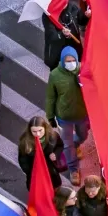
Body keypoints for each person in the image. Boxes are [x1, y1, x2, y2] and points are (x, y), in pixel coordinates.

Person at [45, 47, 90, 185]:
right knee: (67, 145)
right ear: (63, 61)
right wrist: (50, 116)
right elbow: (51, 97)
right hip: (63, 117)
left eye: (73, 60)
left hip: (82, 114)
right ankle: (73, 169)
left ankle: (76, 145)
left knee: (83, 136)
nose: (71, 63)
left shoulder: (84, 70)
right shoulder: (55, 75)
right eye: (67, 61)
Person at [17, 116, 65, 189]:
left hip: (51, 169)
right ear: (30, 131)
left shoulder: (53, 136)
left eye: (40, 130)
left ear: (45, 128)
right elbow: (23, 160)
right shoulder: (25, 142)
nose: (38, 134)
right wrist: (30, 172)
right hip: (35, 172)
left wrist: (56, 154)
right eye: (34, 131)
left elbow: (60, 145)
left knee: (55, 186)